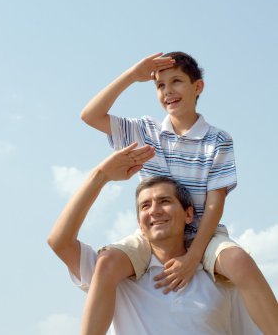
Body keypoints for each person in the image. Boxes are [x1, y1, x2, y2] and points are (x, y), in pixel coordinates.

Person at [80, 51, 278, 335]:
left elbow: (214, 203)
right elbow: (90, 115)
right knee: (107, 262)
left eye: (176, 81)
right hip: (154, 234)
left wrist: (194, 256)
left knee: (240, 261)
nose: (168, 91)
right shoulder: (145, 132)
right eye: (160, 85)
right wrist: (132, 76)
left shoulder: (218, 140)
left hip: (202, 234)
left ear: (197, 87)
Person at [48, 144, 260, 335]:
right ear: (140, 224)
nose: (154, 211)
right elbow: (60, 242)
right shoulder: (117, 276)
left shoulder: (220, 279)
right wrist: (101, 175)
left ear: (188, 214)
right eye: (145, 206)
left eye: (164, 201)